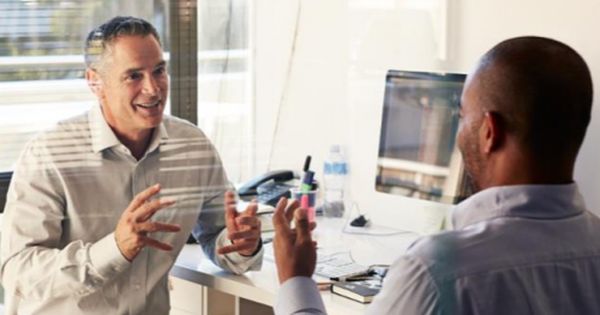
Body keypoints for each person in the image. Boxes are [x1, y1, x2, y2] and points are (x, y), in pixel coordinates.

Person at [271, 36, 600, 314]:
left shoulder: (436, 271)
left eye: (461, 115)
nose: (456, 133)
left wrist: (296, 281)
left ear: (489, 131)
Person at [0, 16, 263, 315]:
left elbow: (219, 241)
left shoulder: (192, 147)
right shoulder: (50, 154)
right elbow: (17, 270)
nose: (153, 89)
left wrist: (243, 244)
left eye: (159, 71)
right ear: (94, 82)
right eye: (134, 76)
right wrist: (115, 248)